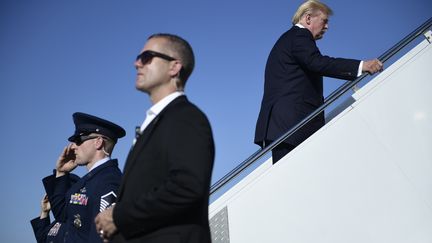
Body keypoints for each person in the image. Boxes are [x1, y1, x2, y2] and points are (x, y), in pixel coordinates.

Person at [95, 33, 215, 243]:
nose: (136, 63)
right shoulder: (158, 122)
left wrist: (118, 216)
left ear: (174, 67)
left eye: (147, 57)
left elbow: (186, 187)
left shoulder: (186, 117)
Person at [254, 0, 383, 163]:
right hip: (293, 126)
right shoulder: (300, 36)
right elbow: (318, 63)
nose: (327, 26)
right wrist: (361, 65)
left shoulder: (289, 39)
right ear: (308, 18)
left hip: (285, 126)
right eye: (324, 20)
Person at [42, 112, 126, 242]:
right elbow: (62, 216)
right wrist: (61, 173)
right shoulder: (88, 181)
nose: (73, 146)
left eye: (78, 140)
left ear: (98, 142)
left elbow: (101, 236)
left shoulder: (109, 180)